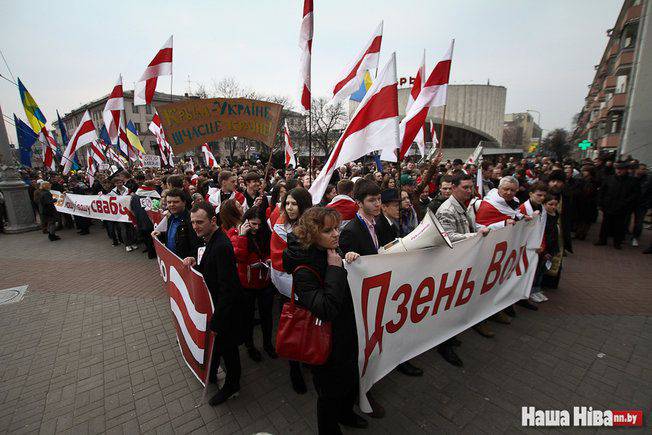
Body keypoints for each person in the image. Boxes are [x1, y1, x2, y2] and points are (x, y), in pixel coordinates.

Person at [283, 207, 368, 435]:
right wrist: (334, 269)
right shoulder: (304, 267)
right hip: (324, 341)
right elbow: (326, 308)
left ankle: (346, 414)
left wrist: (349, 260)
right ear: (312, 233)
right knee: (329, 394)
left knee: (349, 379)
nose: (336, 234)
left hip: (345, 333)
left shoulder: (330, 249)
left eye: (336, 228)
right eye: (328, 230)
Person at [182, 202, 243, 406]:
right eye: (192, 222)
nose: (195, 226)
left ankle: (233, 385)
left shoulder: (222, 246)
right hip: (215, 308)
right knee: (219, 348)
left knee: (229, 351)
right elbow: (210, 269)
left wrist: (217, 321)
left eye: (200, 222)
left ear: (213, 221)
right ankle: (211, 374)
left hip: (224, 312)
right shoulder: (208, 240)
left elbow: (229, 288)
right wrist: (194, 261)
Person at [436, 173, 493, 364]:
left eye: (470, 187)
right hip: (452, 264)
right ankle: (444, 345)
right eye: (465, 187)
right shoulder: (446, 210)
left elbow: (469, 227)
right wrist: (475, 236)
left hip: (463, 262)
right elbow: (448, 237)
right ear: (453, 187)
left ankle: (451, 336)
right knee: (448, 306)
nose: (469, 191)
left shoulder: (464, 206)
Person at [270, 187, 313, 394]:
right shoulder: (280, 228)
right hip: (290, 289)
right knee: (294, 329)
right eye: (287, 203)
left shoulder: (313, 224)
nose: (289, 207)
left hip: (310, 287)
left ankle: (308, 358)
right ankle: (294, 369)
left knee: (309, 327)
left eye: (294, 204)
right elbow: (282, 262)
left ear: (303, 205)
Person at [230, 206, 277, 361]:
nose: (256, 228)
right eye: (253, 224)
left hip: (264, 282)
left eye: (259, 224)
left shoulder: (266, 233)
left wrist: (269, 259)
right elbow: (239, 257)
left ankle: (267, 344)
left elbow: (272, 250)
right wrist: (243, 236)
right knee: (248, 318)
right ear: (246, 222)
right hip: (247, 285)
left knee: (267, 316)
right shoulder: (236, 234)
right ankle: (250, 346)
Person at [595, 162, 640, 249]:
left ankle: (617, 242)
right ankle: (602, 240)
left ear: (626, 170)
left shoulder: (632, 181)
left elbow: (635, 195)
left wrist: (626, 202)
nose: (619, 171)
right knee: (605, 224)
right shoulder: (609, 179)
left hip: (622, 207)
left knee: (619, 226)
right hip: (608, 205)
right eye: (617, 169)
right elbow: (602, 191)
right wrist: (601, 202)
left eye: (621, 169)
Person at [518, 182, 548, 303]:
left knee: (532, 271)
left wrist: (542, 244)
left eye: (543, 196)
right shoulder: (523, 209)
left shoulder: (542, 209)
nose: (541, 198)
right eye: (539, 195)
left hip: (536, 246)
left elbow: (542, 229)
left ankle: (527, 293)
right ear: (531, 194)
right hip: (526, 246)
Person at [155, 188, 201, 259]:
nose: (172, 205)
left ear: (184, 202)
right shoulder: (170, 218)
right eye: (169, 202)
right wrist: (161, 235)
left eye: (176, 202)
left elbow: (196, 246)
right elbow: (174, 237)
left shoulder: (191, 221)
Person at [110, 175, 138, 252]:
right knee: (124, 229)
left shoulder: (128, 190)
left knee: (131, 228)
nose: (120, 184)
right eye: (118, 183)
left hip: (129, 212)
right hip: (120, 214)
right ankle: (127, 244)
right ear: (115, 184)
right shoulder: (112, 193)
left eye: (121, 182)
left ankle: (133, 242)